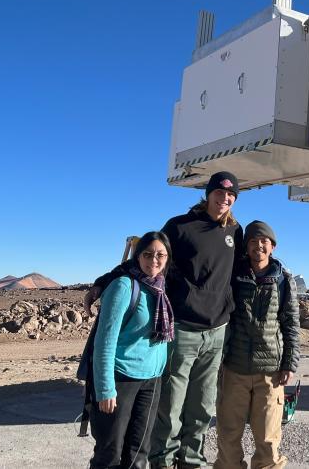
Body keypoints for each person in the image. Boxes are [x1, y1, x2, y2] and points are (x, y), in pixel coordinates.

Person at [85, 170, 244, 469]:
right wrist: (103, 281)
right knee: (171, 406)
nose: (224, 198)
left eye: (230, 194)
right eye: (219, 192)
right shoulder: (180, 226)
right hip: (184, 328)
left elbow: (239, 274)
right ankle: (163, 461)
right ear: (208, 193)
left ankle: (192, 461)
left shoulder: (235, 232)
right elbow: (147, 258)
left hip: (217, 330)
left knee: (202, 406)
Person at [214, 220, 300, 469]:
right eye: (253, 241)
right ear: (246, 247)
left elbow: (291, 324)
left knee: (268, 440)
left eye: (264, 241)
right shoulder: (233, 276)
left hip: (270, 373)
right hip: (234, 369)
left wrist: (289, 364)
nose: (258, 246)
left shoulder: (283, 280)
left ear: (272, 246)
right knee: (228, 437)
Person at [89, 230, 174, 469]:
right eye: (147, 254)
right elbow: (105, 340)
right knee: (109, 454)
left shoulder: (160, 288)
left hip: (151, 380)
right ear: (137, 257)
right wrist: (105, 389)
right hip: (121, 379)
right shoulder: (123, 286)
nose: (154, 260)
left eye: (160, 255)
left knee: (138, 453)